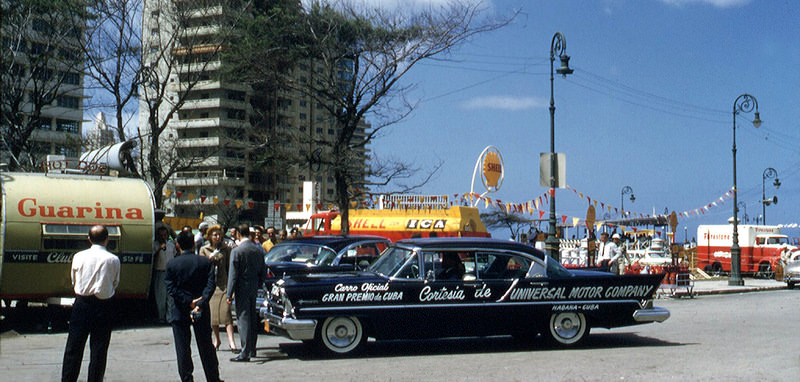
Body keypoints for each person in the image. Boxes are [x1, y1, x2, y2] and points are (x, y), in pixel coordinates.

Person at [62, 225, 120, 382]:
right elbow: (115, 282)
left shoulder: (79, 257)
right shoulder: (113, 259)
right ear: (107, 239)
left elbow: (74, 279)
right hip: (104, 305)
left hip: (82, 304)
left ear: (89, 239)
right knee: (99, 351)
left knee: (73, 348)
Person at [165, 231, 222, 382]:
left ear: (178, 245)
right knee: (206, 346)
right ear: (194, 244)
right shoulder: (204, 262)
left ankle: (186, 378)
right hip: (201, 308)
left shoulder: (172, 264)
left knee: (182, 348)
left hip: (180, 309)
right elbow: (210, 285)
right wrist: (200, 303)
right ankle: (213, 377)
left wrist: (187, 301)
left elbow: (171, 289)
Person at [226, 223, 267, 362]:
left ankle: (245, 352)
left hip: (241, 287)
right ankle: (252, 349)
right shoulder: (258, 250)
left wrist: (229, 293)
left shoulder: (237, 251)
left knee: (243, 318)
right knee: (252, 318)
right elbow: (263, 270)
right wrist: (259, 284)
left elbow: (233, 274)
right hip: (254, 286)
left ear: (238, 233)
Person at [199, 225, 237, 353]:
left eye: (219, 234)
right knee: (213, 316)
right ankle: (217, 340)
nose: (217, 237)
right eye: (215, 235)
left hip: (223, 284)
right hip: (211, 286)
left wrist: (231, 288)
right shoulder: (204, 249)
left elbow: (229, 268)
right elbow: (201, 267)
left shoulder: (226, 249)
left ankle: (232, 342)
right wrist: (209, 260)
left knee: (226, 314)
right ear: (209, 236)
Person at [152, 226, 176, 323]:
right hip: (160, 271)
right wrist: (159, 249)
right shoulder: (155, 245)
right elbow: (152, 257)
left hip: (170, 272)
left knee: (170, 296)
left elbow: (174, 255)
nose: (163, 237)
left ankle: (169, 317)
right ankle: (161, 317)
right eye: (161, 235)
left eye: (165, 235)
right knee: (160, 296)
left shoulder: (171, 245)